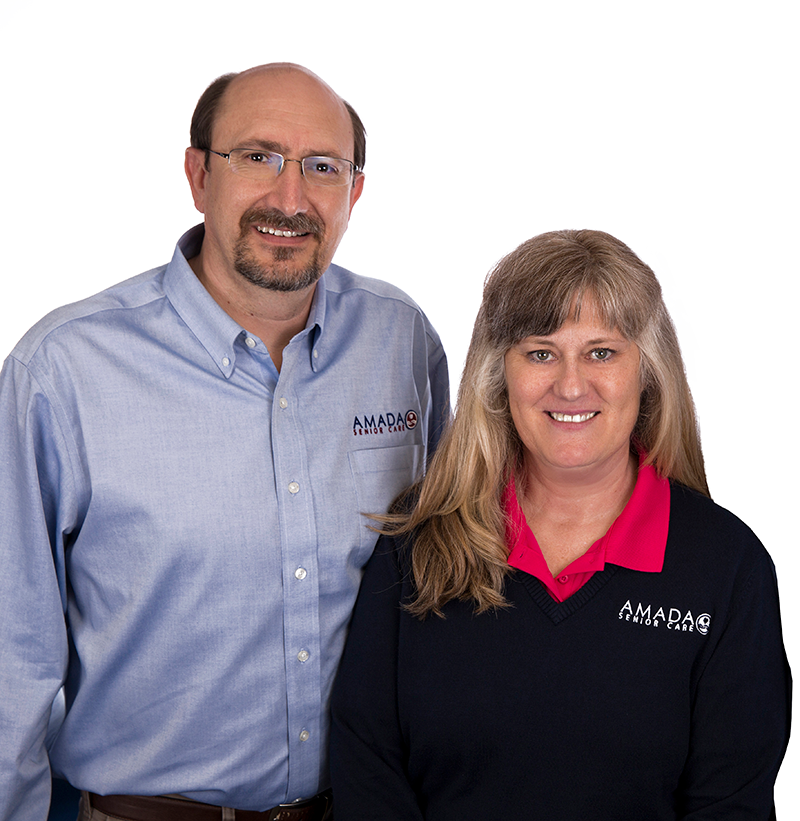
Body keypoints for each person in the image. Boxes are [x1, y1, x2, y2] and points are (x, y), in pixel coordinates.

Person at [0, 63, 449, 820]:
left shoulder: (399, 340)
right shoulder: (65, 369)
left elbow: (445, 574)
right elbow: (13, 652)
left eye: (322, 167)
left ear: (355, 192)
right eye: (258, 156)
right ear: (197, 172)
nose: (290, 196)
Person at [330, 229, 791, 819]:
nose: (570, 386)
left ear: (646, 372)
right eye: (540, 352)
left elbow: (730, 804)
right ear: (499, 373)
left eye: (602, 352)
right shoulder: (415, 546)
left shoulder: (727, 566)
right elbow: (368, 773)